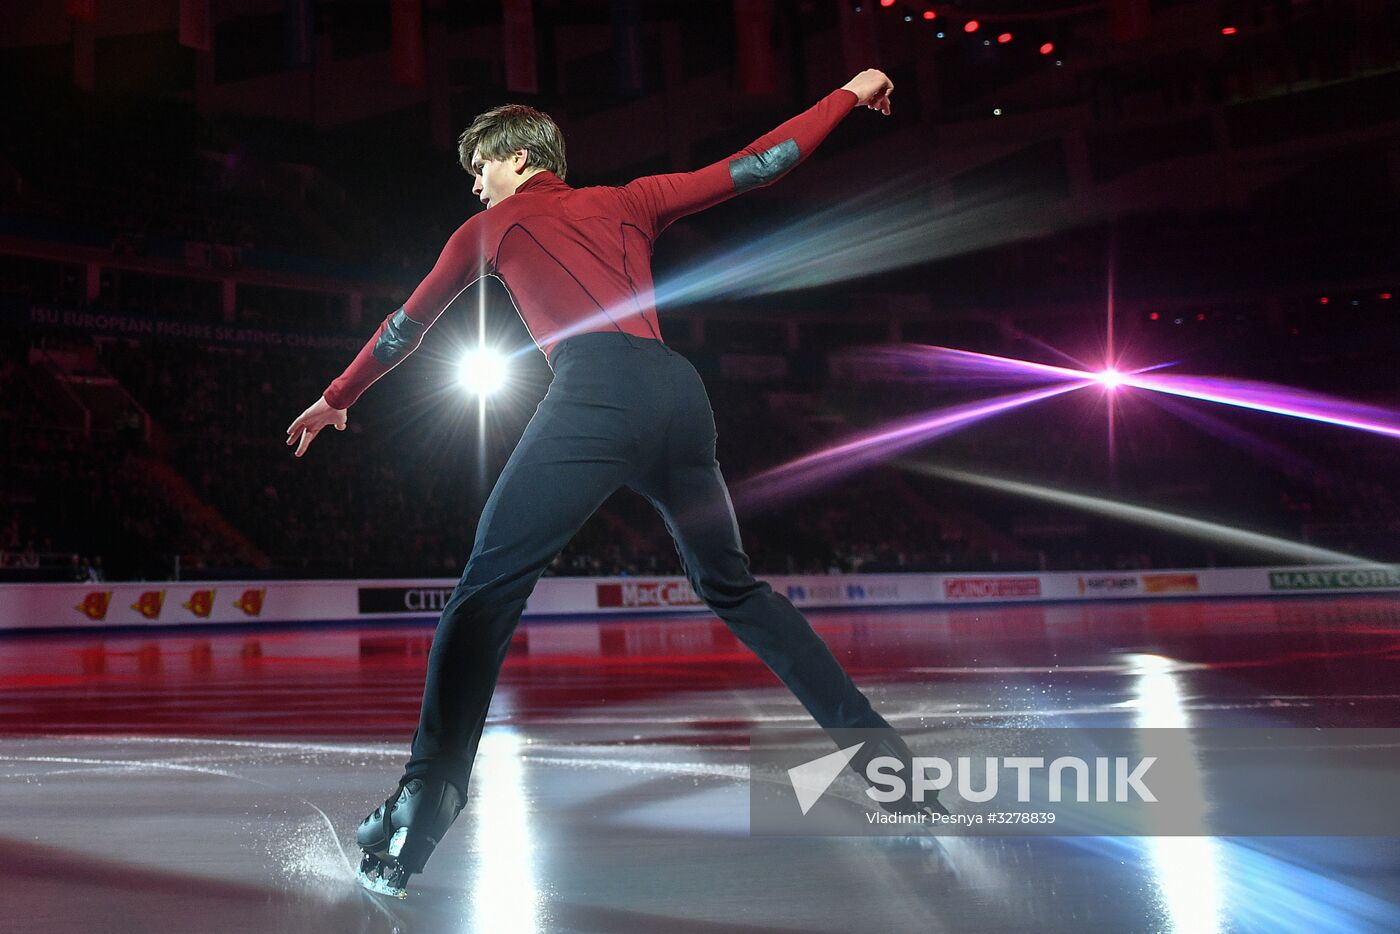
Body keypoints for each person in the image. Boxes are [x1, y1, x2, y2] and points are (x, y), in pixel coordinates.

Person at [287, 68, 941, 899]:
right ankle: (891, 770)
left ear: (520, 159)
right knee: (735, 588)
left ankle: (427, 794)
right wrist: (852, 90)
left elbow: (404, 328)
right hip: (678, 395)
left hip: (595, 389)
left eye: (480, 167)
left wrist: (335, 400)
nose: (475, 183)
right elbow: (761, 163)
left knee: (485, 591)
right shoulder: (632, 199)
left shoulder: (488, 228)